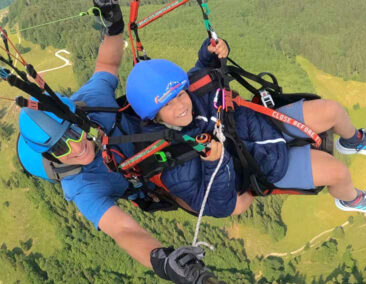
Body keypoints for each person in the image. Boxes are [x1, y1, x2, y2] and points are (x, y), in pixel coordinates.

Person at [17, 1, 221, 283]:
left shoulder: (92, 103)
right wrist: (164, 262)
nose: (77, 147)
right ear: (51, 157)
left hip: (156, 126)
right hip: (150, 174)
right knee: (215, 202)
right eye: (61, 148)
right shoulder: (82, 187)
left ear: (79, 118)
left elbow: (107, 64)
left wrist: (114, 27)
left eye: (75, 133)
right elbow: (123, 230)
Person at [125, 38, 366, 218]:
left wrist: (211, 50)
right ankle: (352, 199)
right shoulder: (173, 165)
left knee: (332, 109)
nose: (182, 105)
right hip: (268, 165)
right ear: (154, 116)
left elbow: (203, 70)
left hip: (265, 122)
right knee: (338, 172)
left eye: (180, 94)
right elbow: (218, 205)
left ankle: (353, 140)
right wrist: (213, 163)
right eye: (169, 105)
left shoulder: (193, 91)